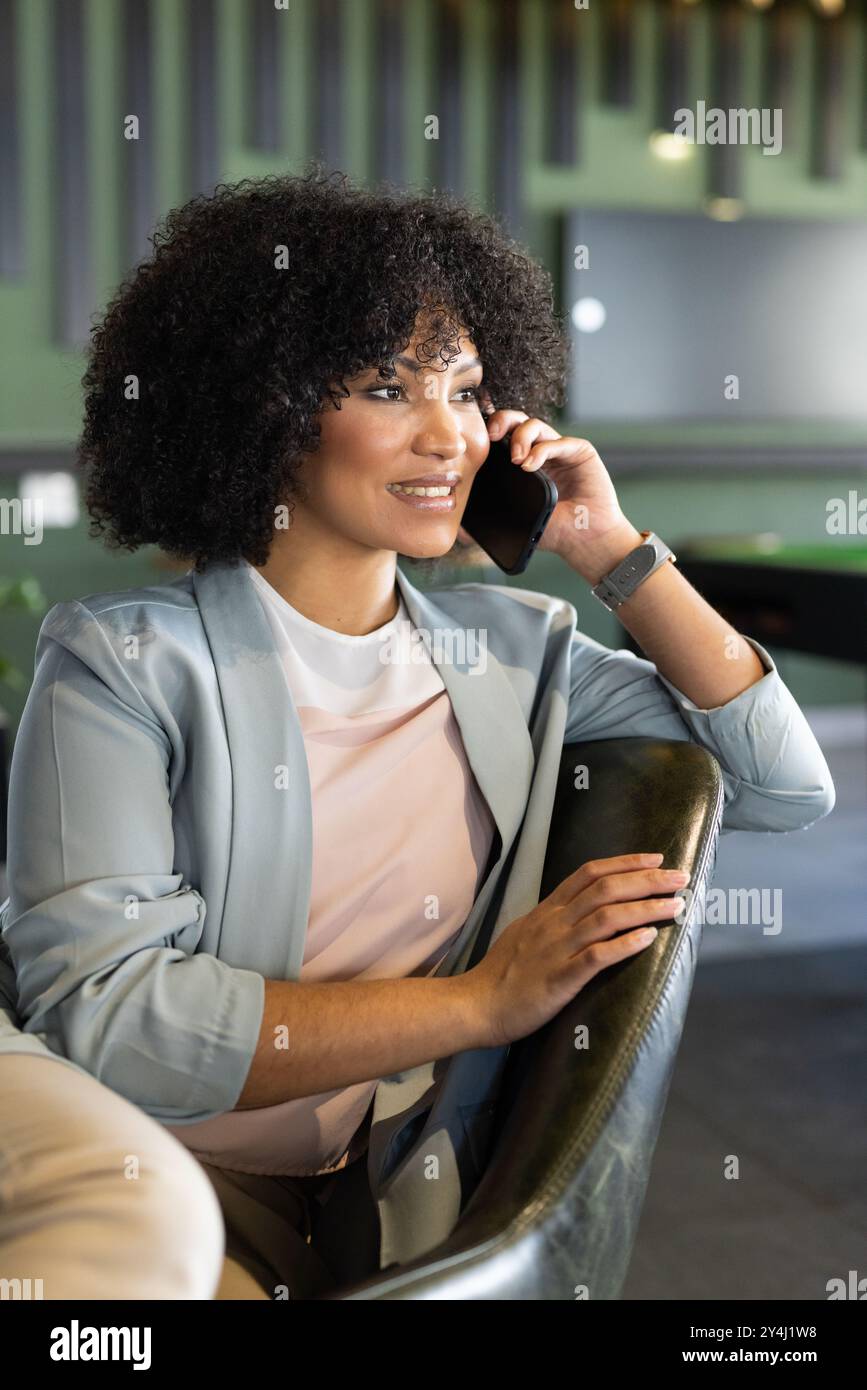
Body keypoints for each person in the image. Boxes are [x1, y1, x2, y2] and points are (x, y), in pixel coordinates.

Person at [0, 163, 836, 1299]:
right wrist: (479, 1001)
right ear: (268, 410)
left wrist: (613, 551)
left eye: (466, 388)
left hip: (383, 1189)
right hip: (141, 1171)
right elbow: (114, 1021)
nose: (449, 437)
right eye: (390, 390)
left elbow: (786, 782)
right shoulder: (122, 660)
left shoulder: (519, 650)